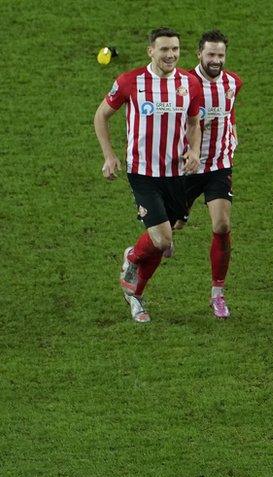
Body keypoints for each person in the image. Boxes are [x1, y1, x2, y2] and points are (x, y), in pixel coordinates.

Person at [94, 27, 203, 323]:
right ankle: (135, 289)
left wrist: (194, 152)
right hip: (143, 173)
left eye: (175, 50)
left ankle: (134, 260)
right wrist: (109, 155)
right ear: (150, 51)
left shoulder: (190, 83)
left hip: (176, 173)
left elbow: (194, 123)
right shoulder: (131, 81)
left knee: (169, 233)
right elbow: (101, 115)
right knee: (163, 239)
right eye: (164, 49)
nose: (170, 55)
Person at [183, 29, 242, 319]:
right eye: (211, 54)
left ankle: (217, 293)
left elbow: (229, 112)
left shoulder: (233, 83)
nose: (216, 60)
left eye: (220, 55)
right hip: (186, 166)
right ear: (199, 54)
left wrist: (233, 134)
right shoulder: (183, 84)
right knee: (170, 231)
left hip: (219, 164)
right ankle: (135, 255)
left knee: (221, 225)